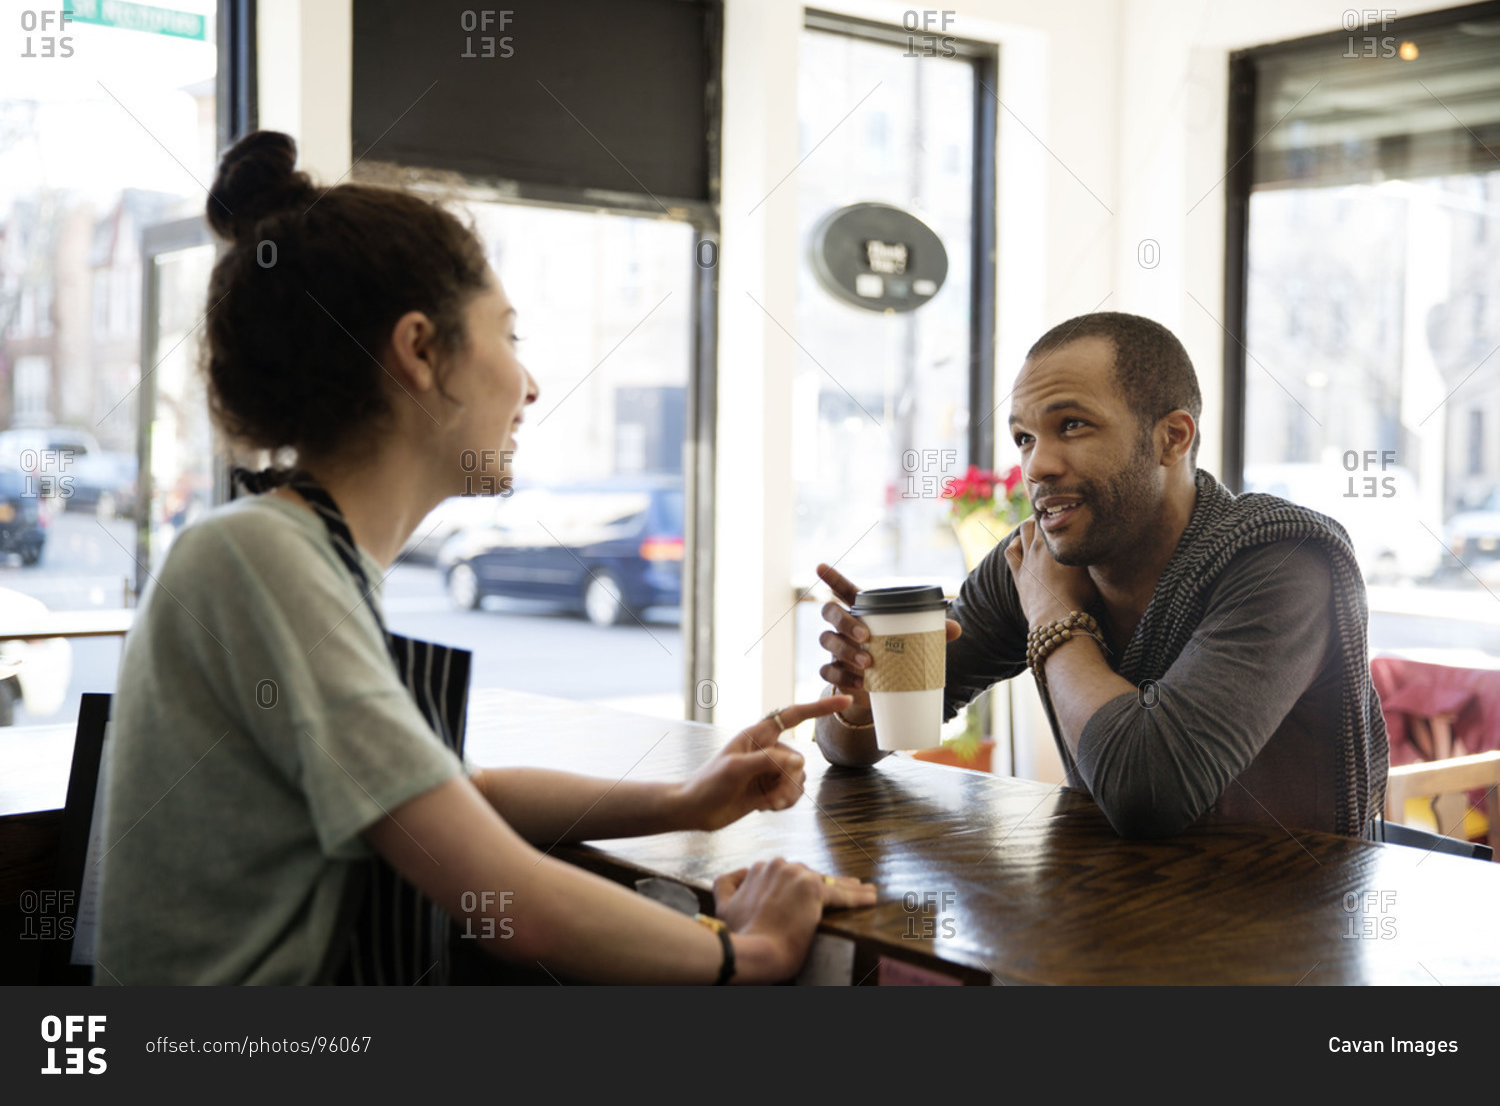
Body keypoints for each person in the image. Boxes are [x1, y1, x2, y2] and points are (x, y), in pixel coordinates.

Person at [94, 131, 874, 986]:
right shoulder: (257, 557)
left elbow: (455, 796)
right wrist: (747, 953)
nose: (530, 386)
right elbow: (509, 900)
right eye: (508, 335)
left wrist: (687, 801)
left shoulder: (294, 552)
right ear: (421, 351)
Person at [814, 312, 1388, 840]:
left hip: (1295, 927)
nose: (1037, 465)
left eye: (1072, 425)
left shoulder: (1282, 559)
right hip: (1114, 915)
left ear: (1173, 437)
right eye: (1024, 438)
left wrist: (1055, 619)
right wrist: (865, 699)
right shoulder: (1035, 559)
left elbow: (1150, 792)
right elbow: (846, 745)